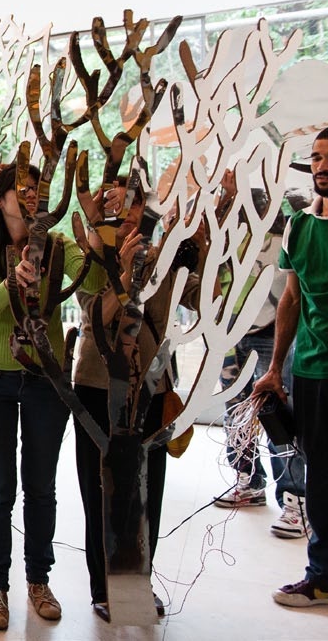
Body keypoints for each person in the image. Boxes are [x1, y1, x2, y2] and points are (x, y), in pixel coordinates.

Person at [0, 163, 104, 631]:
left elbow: (94, 285)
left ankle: (39, 580)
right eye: (20, 189)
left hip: (46, 379)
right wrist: (12, 281)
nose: (29, 196)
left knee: (41, 487)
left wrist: (96, 239)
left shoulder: (60, 246)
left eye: (36, 189)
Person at [73, 180, 200, 622]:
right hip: (97, 386)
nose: (126, 213)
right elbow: (93, 316)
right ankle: (104, 587)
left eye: (135, 203)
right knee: (99, 491)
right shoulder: (93, 253)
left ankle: (139, 581)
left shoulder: (165, 255)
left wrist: (202, 244)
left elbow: (202, 298)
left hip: (150, 387)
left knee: (148, 492)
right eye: (118, 203)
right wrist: (126, 275)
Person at [255, 122, 328, 608]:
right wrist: (275, 368)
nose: (322, 166)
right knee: (322, 477)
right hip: (310, 370)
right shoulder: (301, 224)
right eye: (316, 157)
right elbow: (291, 298)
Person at [215, 186, 308, 539]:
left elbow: (292, 291)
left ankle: (295, 500)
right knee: (236, 413)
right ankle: (248, 480)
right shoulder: (226, 242)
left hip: (272, 333)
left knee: (278, 416)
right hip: (230, 331)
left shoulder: (284, 235)